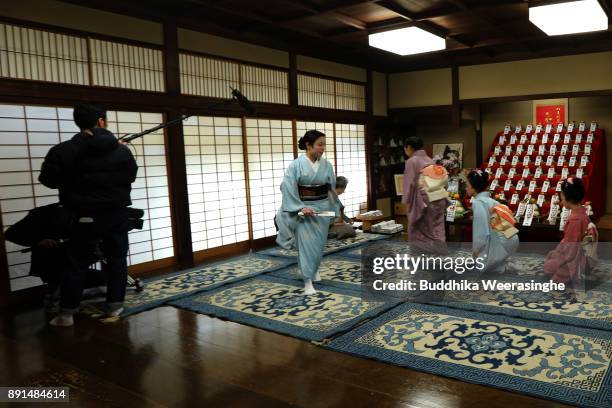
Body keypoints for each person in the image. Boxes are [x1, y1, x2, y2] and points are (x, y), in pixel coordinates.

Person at [39, 103, 138, 327]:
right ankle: (115, 306)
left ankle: (66, 315)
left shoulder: (63, 150)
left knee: (76, 263)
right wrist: (118, 151)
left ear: (78, 122)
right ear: (101, 121)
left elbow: (48, 180)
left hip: (83, 215)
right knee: (117, 259)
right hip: (116, 214)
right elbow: (130, 176)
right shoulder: (121, 150)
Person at [275, 130, 338, 295]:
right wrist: (299, 207)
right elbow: (288, 187)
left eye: (324, 144)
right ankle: (307, 281)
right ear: (308, 145)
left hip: (322, 208)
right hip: (304, 210)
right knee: (306, 246)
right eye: (320, 144)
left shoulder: (327, 165)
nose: (323, 148)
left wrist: (335, 208)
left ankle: (314, 269)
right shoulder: (295, 165)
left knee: (318, 245)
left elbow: (331, 188)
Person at [466, 169, 519, 274]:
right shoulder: (491, 200)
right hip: (511, 237)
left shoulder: (478, 202)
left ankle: (499, 266)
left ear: (473, 187)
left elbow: (481, 233)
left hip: (502, 241)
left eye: (467, 185)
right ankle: (500, 262)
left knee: (479, 265)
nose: (466, 188)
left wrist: (476, 251)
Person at [402, 137, 447, 254]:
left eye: (405, 148)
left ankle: (422, 260)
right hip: (437, 198)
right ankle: (439, 255)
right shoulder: (429, 159)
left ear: (409, 147)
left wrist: (407, 202)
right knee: (434, 228)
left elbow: (409, 184)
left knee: (418, 229)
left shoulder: (412, 161)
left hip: (422, 200)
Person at [544, 177, 594, 284]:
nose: (561, 201)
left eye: (561, 198)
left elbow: (571, 250)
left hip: (576, 257)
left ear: (567, 197)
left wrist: (559, 259)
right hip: (580, 253)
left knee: (549, 267)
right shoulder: (582, 213)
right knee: (551, 255)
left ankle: (573, 273)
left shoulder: (575, 219)